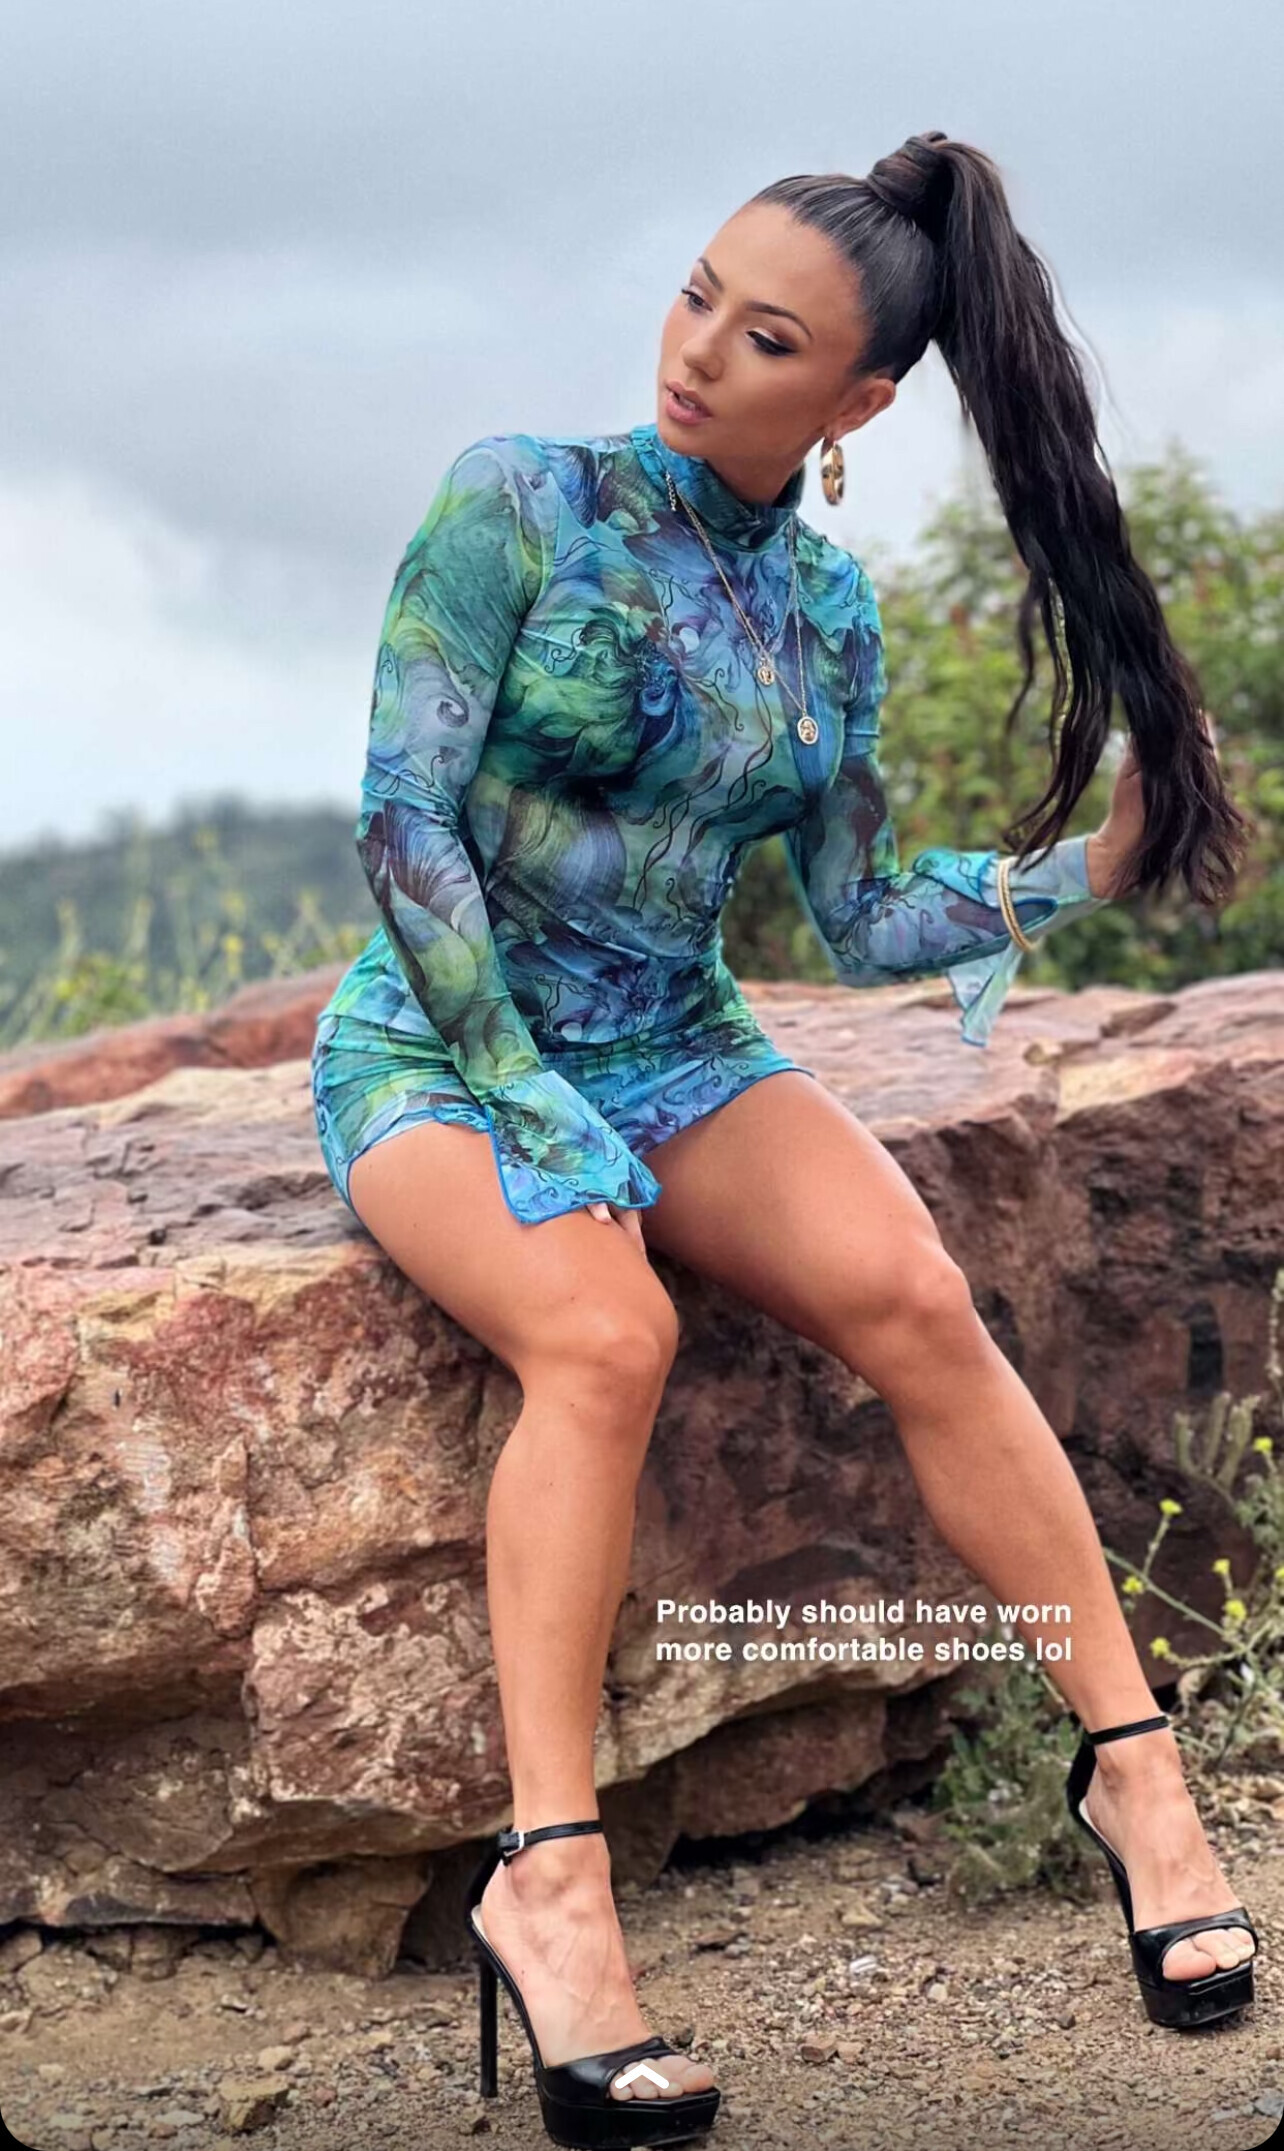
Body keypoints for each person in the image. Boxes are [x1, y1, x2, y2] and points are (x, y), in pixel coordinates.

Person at [310, 131, 1257, 2147]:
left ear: (857, 406)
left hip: (676, 1042)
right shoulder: (519, 500)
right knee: (607, 1333)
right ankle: (549, 1885)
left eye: (764, 341)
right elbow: (402, 820)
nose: (695, 353)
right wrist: (532, 1103)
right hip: (445, 1048)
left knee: (919, 1293)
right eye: (695, 297)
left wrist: (1083, 870)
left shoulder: (824, 606)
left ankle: (1135, 1767)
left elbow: (857, 914)